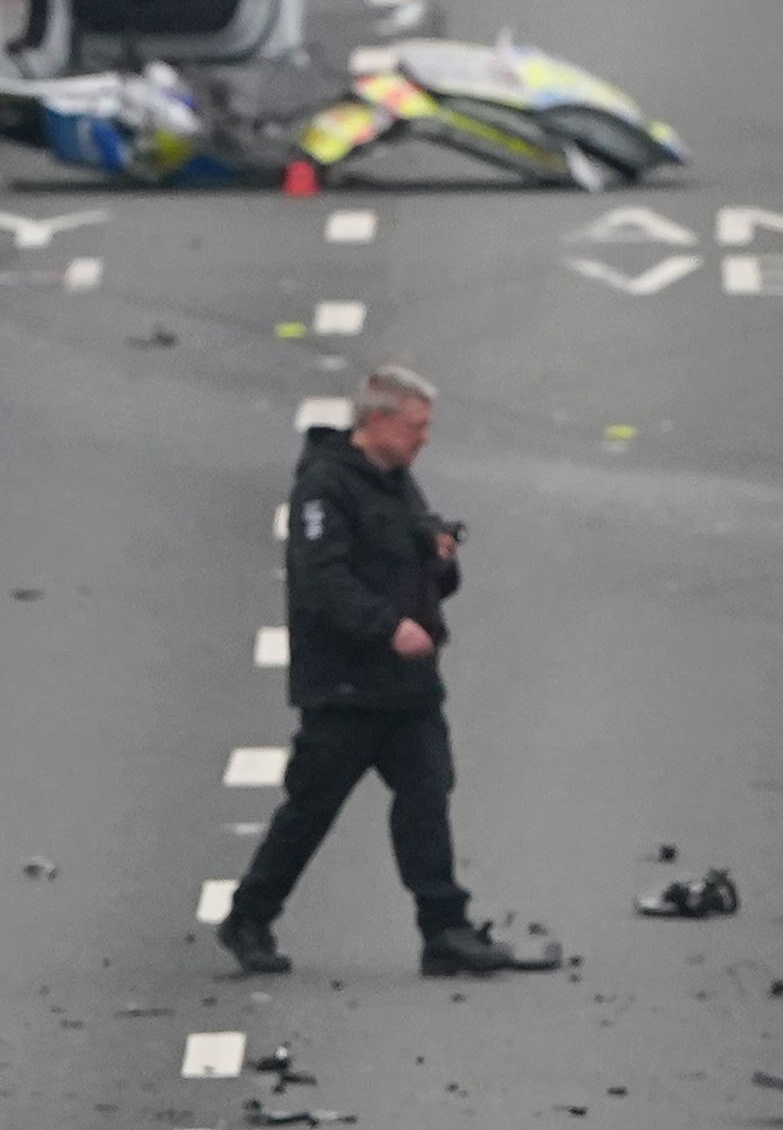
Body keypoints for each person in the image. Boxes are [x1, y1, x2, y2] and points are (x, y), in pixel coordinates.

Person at [221, 365, 557, 980]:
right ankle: (249, 916)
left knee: (428, 795)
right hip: (348, 687)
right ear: (375, 422)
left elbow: (414, 564)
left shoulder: (398, 481)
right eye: (415, 427)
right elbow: (322, 581)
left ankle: (444, 929)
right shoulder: (324, 487)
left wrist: (439, 556)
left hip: (407, 684)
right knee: (312, 807)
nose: (424, 439)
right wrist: (387, 627)